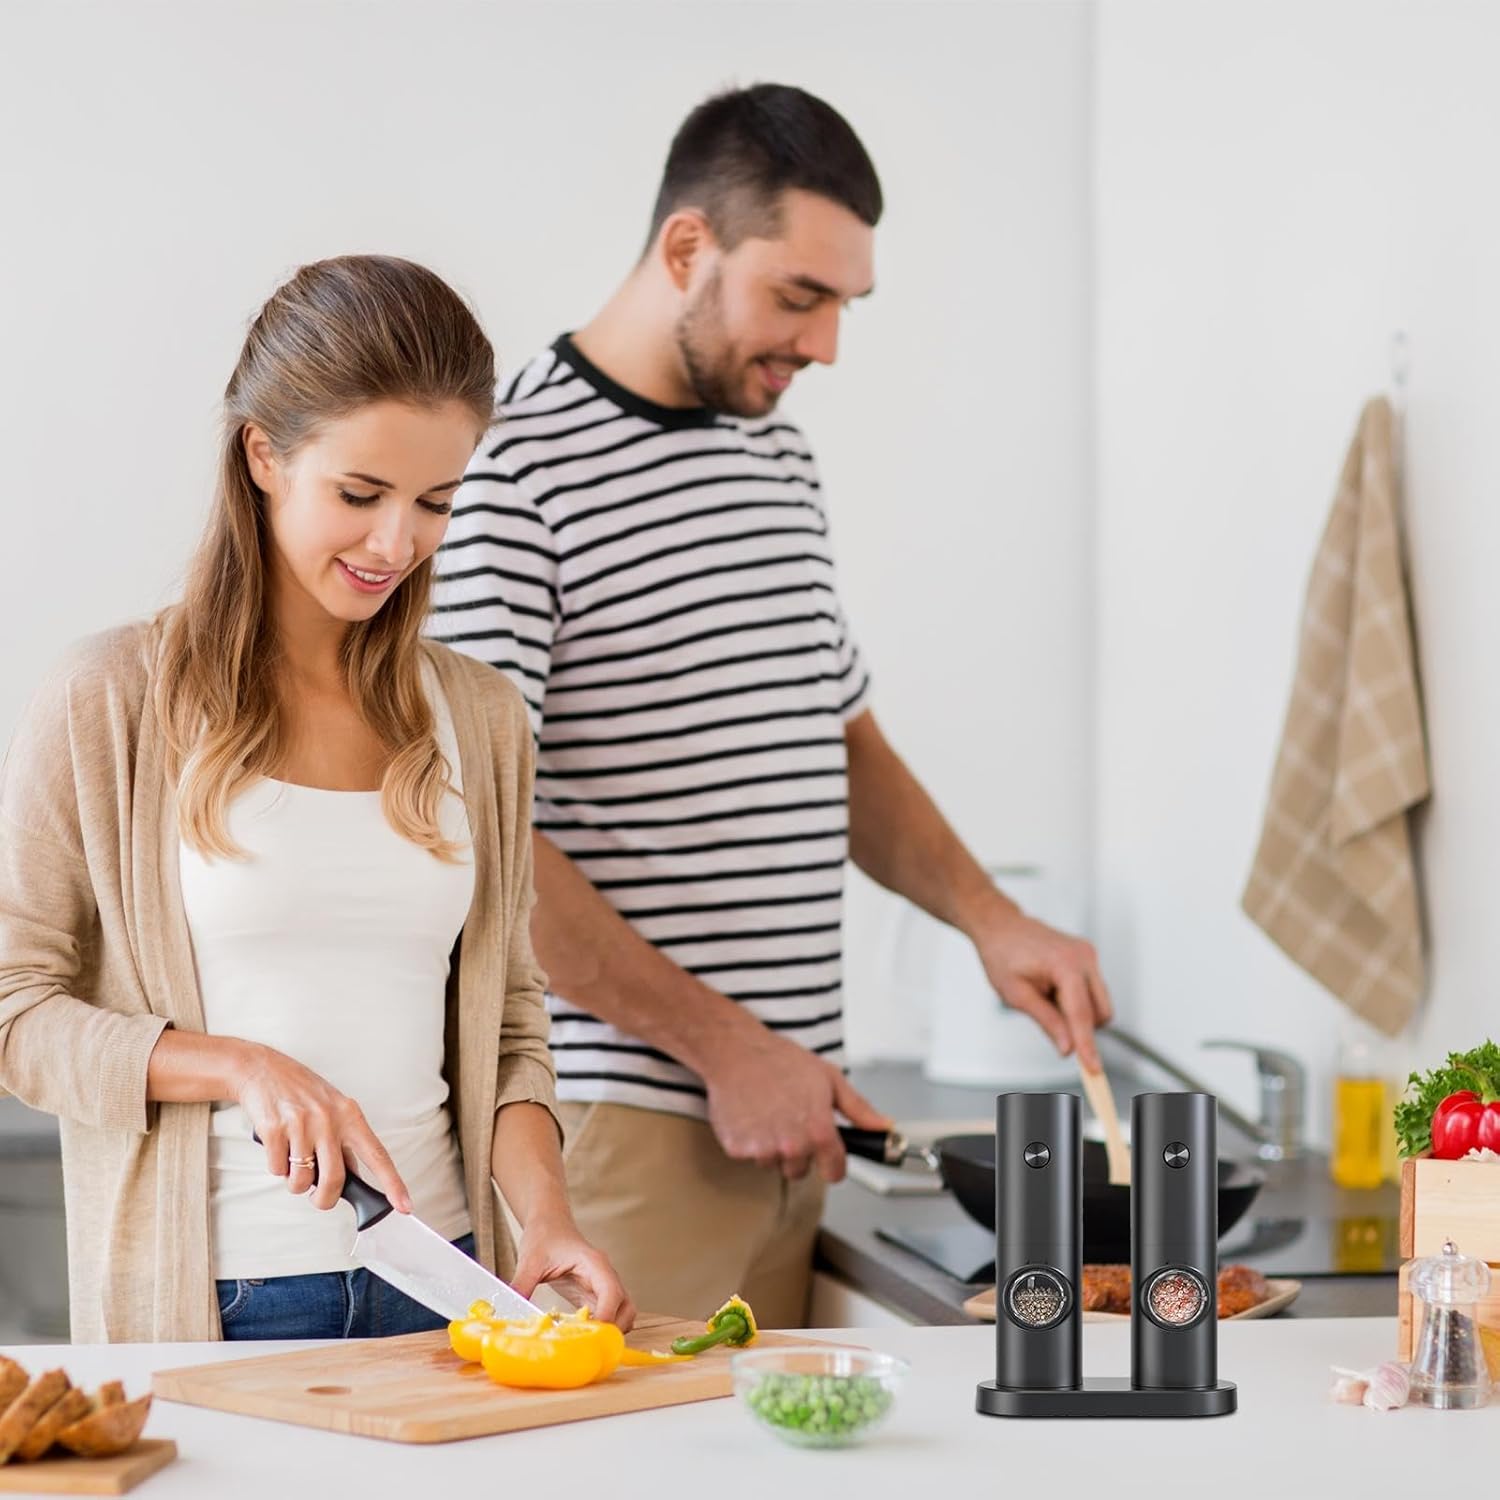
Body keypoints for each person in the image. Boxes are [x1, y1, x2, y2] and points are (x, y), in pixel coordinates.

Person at [429, 85, 1111, 1326]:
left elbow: (834, 743)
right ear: (688, 247)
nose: (826, 346)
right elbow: (481, 848)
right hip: (625, 1130)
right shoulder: (508, 472)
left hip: (789, 1116)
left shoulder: (774, 456)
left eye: (844, 305)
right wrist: (726, 1052)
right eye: (800, 297)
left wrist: (992, 922)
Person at [0, 255, 631, 1342]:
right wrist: (239, 1067)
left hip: (449, 1284)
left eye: (436, 501)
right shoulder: (108, 701)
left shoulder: (477, 718)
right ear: (262, 455)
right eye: (361, 494)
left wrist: (548, 1212)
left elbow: (511, 1023)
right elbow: (17, 1014)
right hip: (221, 1299)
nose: (399, 544)